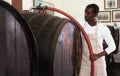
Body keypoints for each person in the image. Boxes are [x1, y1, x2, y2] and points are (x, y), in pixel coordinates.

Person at [77, 4, 116, 76]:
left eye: (88, 13)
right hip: (85, 61)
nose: (85, 15)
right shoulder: (81, 23)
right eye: (85, 12)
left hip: (98, 62)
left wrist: (97, 56)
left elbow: (113, 46)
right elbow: (66, 19)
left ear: (96, 14)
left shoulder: (103, 28)